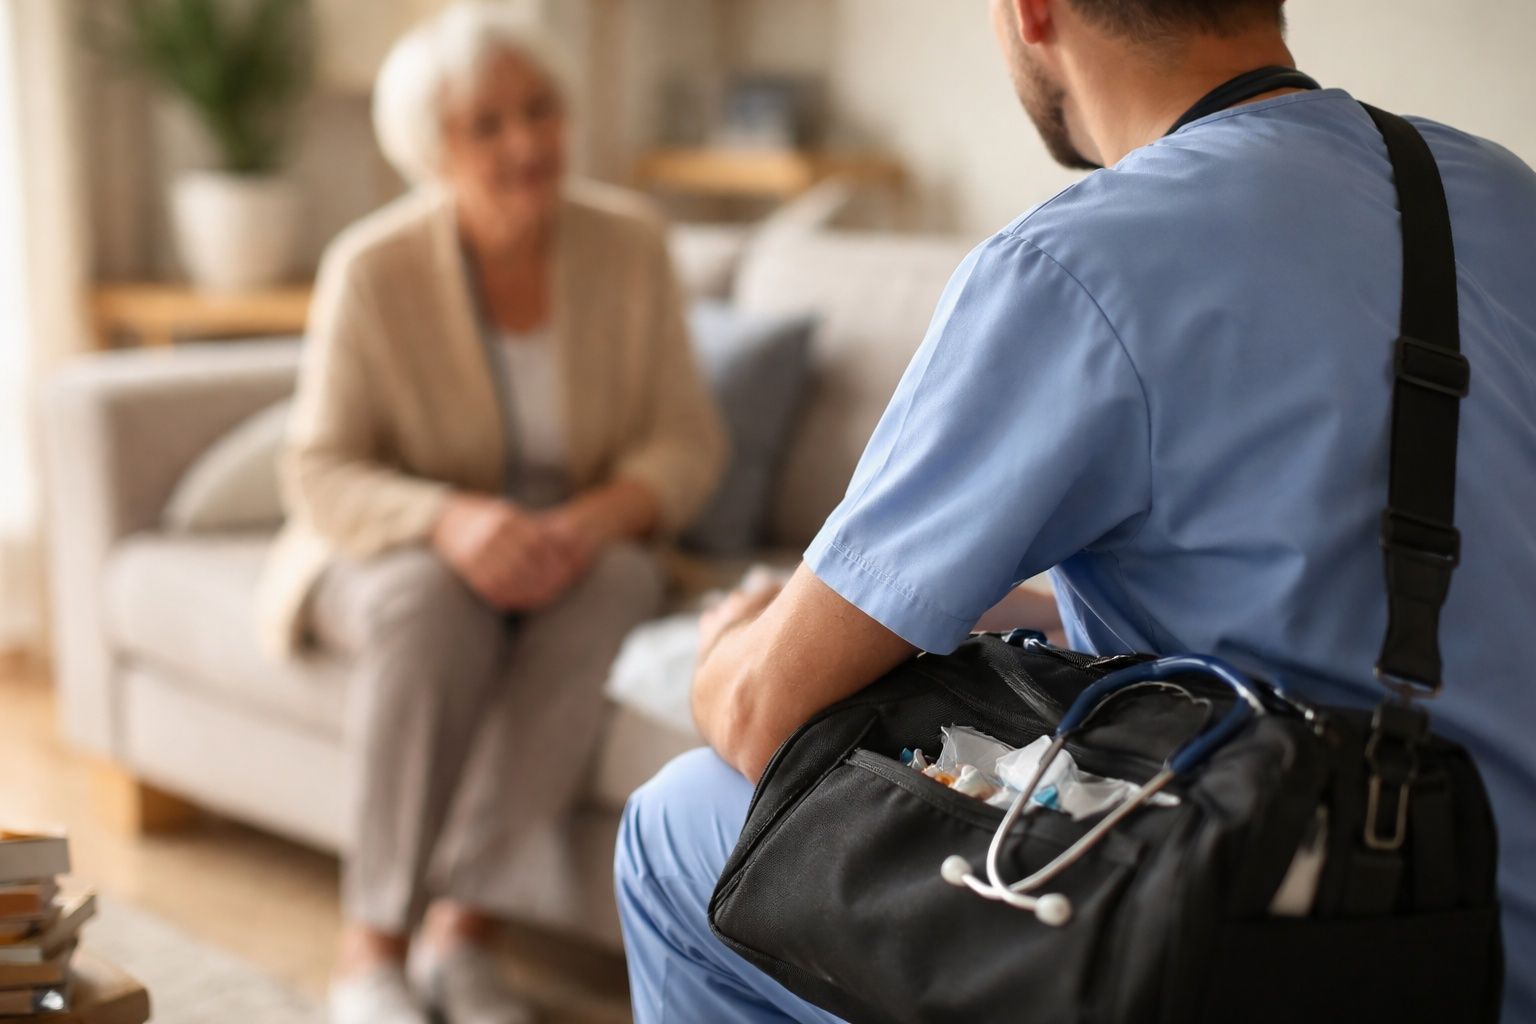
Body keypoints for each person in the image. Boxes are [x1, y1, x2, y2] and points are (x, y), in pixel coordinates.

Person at [613, 0, 1536, 1021]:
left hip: (1274, 953)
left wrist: (725, 652)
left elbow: (761, 714)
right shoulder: (1498, 193)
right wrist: (1042, 605)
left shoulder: (1075, 262)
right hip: (1505, 946)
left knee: (672, 827)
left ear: (1030, 11)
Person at [254, 4, 727, 1022]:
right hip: (397, 547)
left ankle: (463, 929)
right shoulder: (372, 269)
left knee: (622, 578)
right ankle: (370, 945)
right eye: (488, 125)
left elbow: (687, 442)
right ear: (432, 149)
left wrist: (593, 519)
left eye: (541, 110)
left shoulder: (631, 246)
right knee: (432, 605)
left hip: (576, 541)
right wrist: (452, 520)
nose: (526, 143)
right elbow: (318, 468)